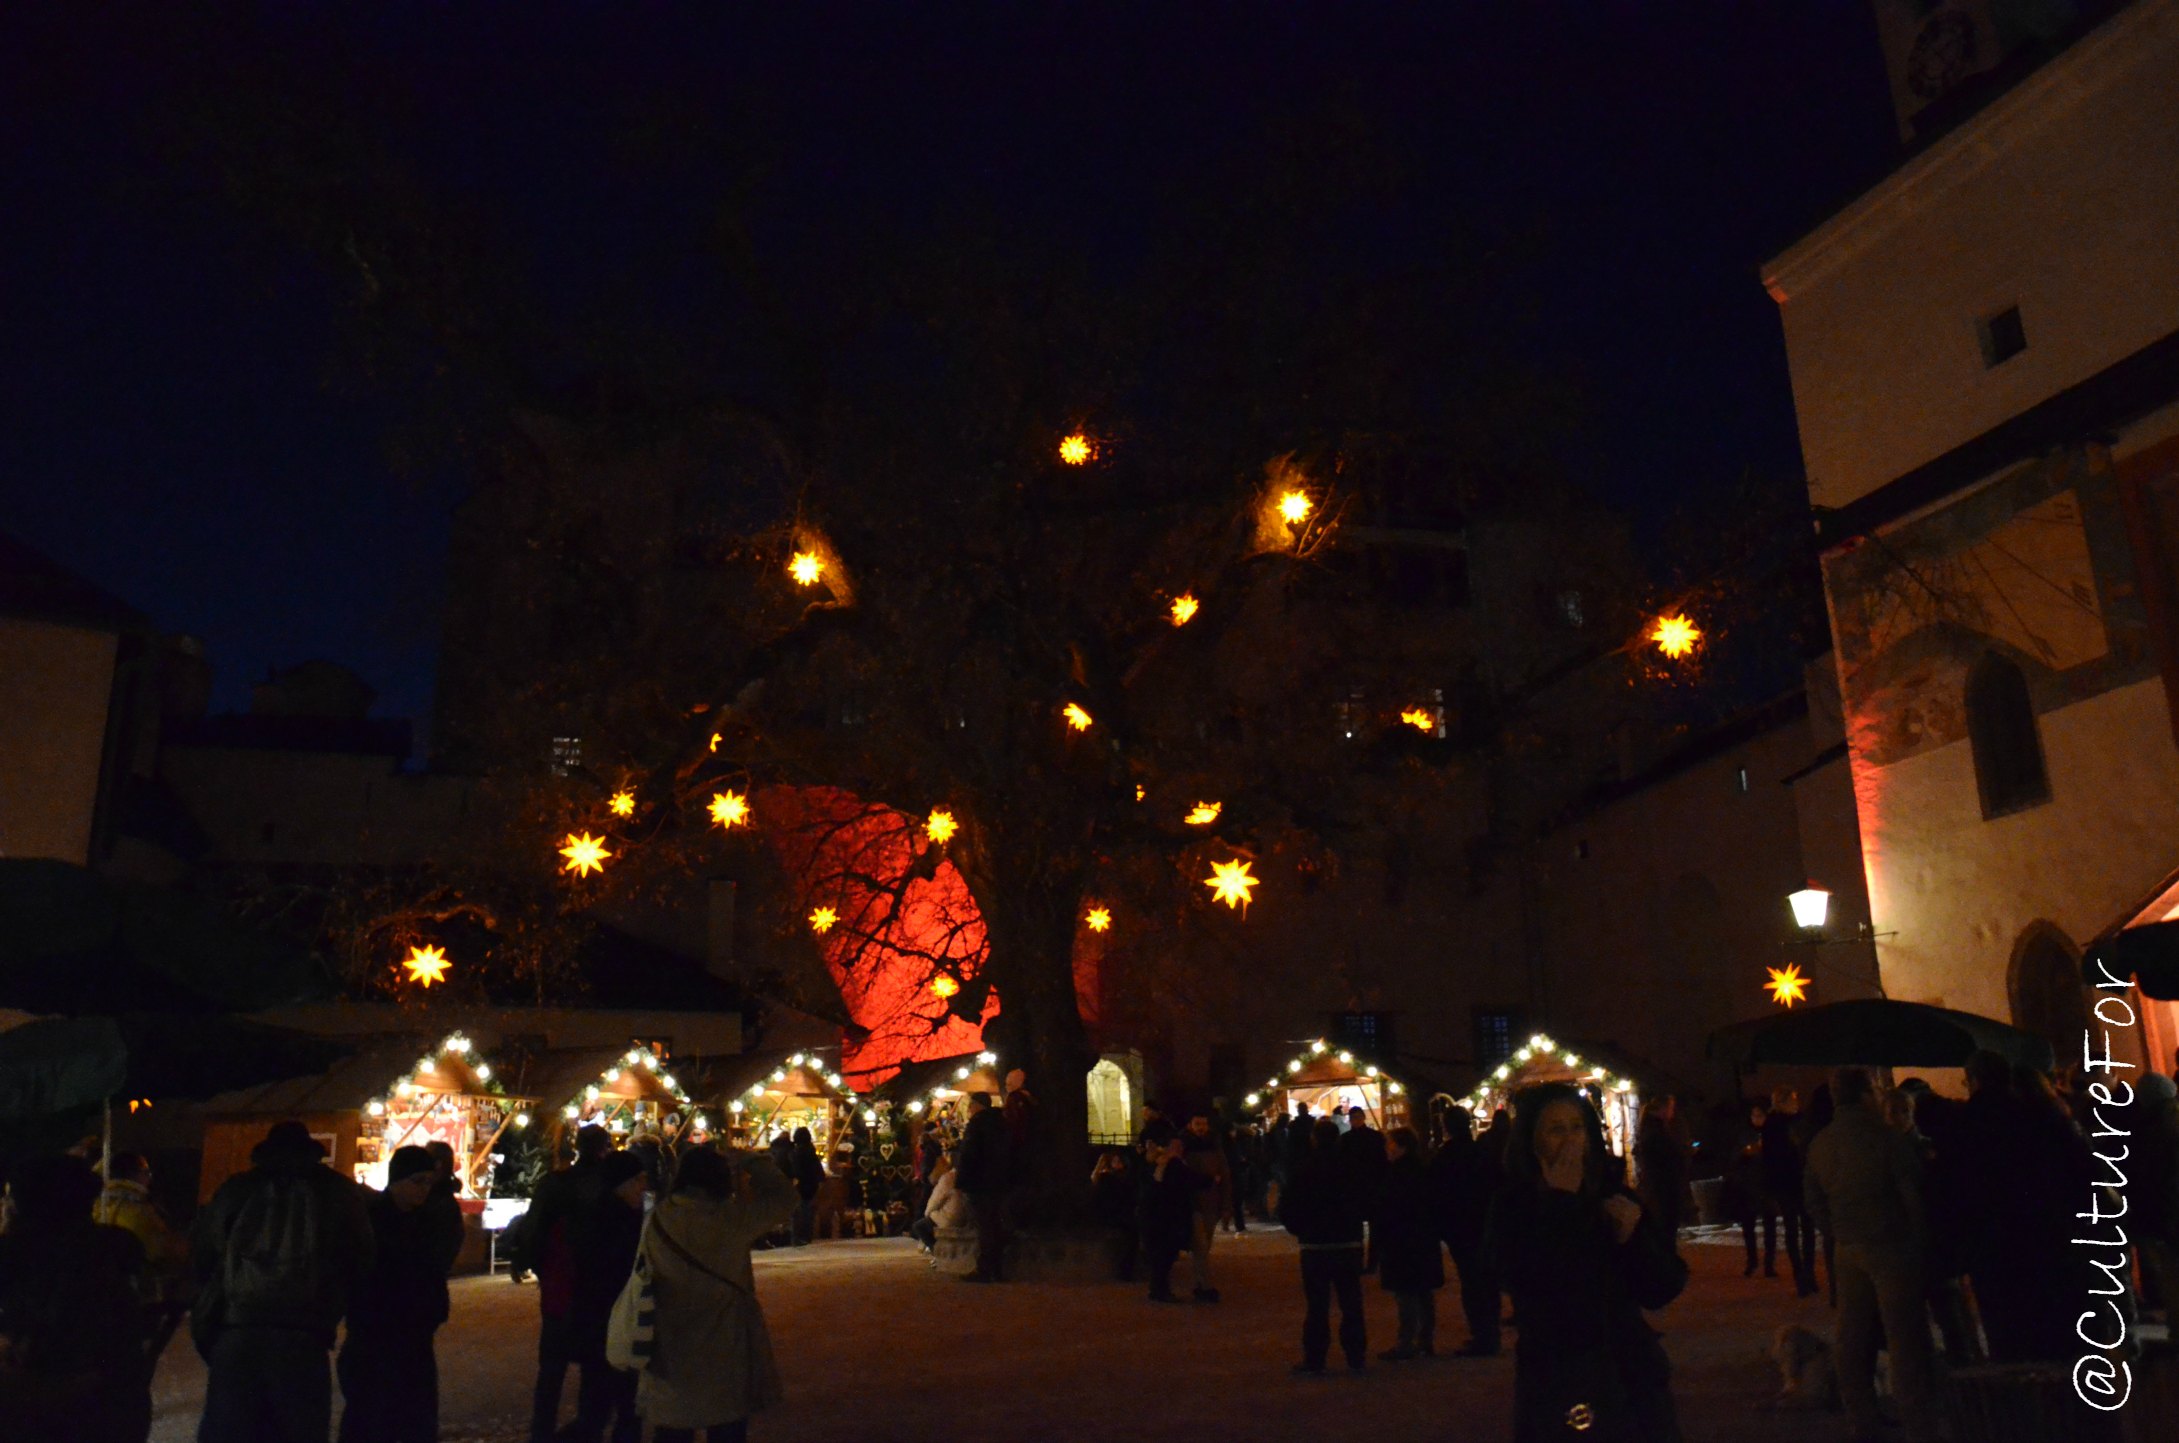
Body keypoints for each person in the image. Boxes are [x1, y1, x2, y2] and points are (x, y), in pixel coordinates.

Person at [1487, 1084, 1685, 1443]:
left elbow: (1661, 1288)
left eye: (1577, 1127)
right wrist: (1561, 1206)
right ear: (1533, 1141)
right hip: (1562, 1376)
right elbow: (1530, 1282)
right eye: (1556, 1129)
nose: (1570, 1141)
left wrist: (1634, 1239)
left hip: (1632, 1375)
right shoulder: (1515, 1205)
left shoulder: (1611, 1195)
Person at [191, 1120, 376, 1443]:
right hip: (305, 1336)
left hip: (239, 1332)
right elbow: (361, 1258)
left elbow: (204, 1252)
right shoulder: (337, 1192)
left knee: (231, 1430)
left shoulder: (237, 1189)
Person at [1802, 1068, 1938, 1443]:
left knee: (1852, 1335)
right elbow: (1912, 1196)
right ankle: (1919, 1424)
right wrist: (1920, 1241)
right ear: (1865, 1095)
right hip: (1890, 1244)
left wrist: (1837, 1231)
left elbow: (1813, 1199)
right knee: (1905, 1338)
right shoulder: (1886, 1139)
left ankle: (1861, 1418)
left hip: (1848, 1248)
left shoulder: (1822, 1142)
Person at [636, 1146, 798, 1443]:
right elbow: (785, 1197)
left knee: (673, 1425)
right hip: (725, 1340)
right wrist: (751, 1160)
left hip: (671, 1337)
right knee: (727, 1424)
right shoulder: (732, 1218)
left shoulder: (659, 1219)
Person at [0, 1153, 152, 1443]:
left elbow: (64, 1379)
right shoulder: (107, 1253)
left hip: (70, 1421)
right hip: (117, 1415)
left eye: (10, 1197)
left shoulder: (64, 1269)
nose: (5, 1205)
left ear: (27, 1208)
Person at [1954, 1049, 2095, 1362]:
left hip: (1992, 1240)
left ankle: (2019, 1378)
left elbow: (1956, 1188)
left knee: (2008, 1328)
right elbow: (2080, 1169)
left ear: (1974, 1081)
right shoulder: (2039, 1114)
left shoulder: (1963, 1124)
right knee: (2053, 1315)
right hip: (2047, 1230)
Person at [338, 1147, 455, 1443]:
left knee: (415, 1419)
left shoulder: (427, 1221)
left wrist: (433, 1309)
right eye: (418, 1181)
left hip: (414, 1336)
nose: (424, 1189)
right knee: (371, 1419)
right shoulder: (372, 1220)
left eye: (428, 1181)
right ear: (398, 1180)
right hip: (375, 1337)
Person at [519, 1125, 614, 1442]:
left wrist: (538, 1266)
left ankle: (542, 1431)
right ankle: (587, 1429)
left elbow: (534, 1228)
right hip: (598, 1288)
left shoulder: (555, 1183)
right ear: (603, 1148)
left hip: (561, 1285)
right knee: (595, 1365)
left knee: (552, 1367)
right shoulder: (609, 1185)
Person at [564, 1150, 650, 1443]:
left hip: (600, 1322)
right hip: (608, 1321)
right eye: (638, 1180)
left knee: (600, 1401)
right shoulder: (613, 1219)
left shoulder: (606, 1213)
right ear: (621, 1183)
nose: (643, 1186)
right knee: (620, 1402)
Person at [1280, 1118, 1367, 1373]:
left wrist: (1300, 1230)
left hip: (1315, 1246)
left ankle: (1315, 1358)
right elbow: (1365, 1200)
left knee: (1317, 1306)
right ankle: (1355, 1356)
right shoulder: (1351, 1168)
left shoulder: (1304, 1168)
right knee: (1351, 1303)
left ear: (1314, 1139)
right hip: (1348, 1243)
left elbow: (1287, 1206)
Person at [1428, 1109, 1502, 1357]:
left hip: (1460, 1227)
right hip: (1484, 1223)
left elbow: (1437, 1193)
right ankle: (1490, 1333)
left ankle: (1482, 1334)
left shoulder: (1445, 1156)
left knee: (1472, 1281)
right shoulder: (1483, 1152)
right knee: (1487, 1280)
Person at [1376, 1126, 1444, 1360]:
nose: (1387, 1148)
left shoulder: (1396, 1175)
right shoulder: (1424, 1169)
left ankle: (1406, 1342)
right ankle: (1425, 1339)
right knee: (1424, 1292)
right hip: (1424, 1239)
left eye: (1391, 1143)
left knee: (1406, 1293)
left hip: (1402, 1240)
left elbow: (1388, 1208)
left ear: (1401, 1147)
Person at [1761, 1088, 1817, 1297]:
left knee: (1807, 1228)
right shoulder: (1773, 1125)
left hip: (1800, 1180)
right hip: (1785, 1182)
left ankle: (1808, 1273)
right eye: (1792, 1100)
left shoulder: (1801, 1121)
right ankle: (1800, 1275)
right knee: (1792, 1229)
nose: (1796, 1103)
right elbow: (1769, 1158)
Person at [1140, 1130, 1206, 1304]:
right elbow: (1191, 1180)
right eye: (1175, 1146)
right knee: (1164, 1255)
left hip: (1157, 1215)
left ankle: (1158, 1289)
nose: (1179, 1149)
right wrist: (1211, 1180)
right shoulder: (1172, 1164)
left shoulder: (1158, 1163)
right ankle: (1160, 1291)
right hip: (1166, 1216)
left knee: (1161, 1256)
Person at [954, 1092, 1009, 1283]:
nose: (969, 1109)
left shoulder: (977, 1124)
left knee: (984, 1226)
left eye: (970, 1105)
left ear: (977, 1105)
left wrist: (961, 1181)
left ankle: (985, 1268)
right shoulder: (1001, 1123)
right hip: (998, 1181)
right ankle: (997, 1268)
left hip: (979, 1182)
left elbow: (968, 1155)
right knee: (995, 1224)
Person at [1181, 1112, 1230, 1302]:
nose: (1201, 1127)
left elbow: (1224, 1175)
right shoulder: (1184, 1146)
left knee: (1204, 1245)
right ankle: (1204, 1285)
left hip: (1210, 1202)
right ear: (1190, 1125)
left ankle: (1200, 1283)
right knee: (1200, 1244)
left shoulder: (1215, 1146)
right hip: (1193, 1203)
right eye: (1197, 1123)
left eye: (1204, 1124)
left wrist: (1225, 1204)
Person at [1340, 1105, 1387, 1274]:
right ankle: (1368, 1262)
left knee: (1361, 1228)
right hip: (1368, 1186)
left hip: (1360, 1187)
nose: (1356, 1120)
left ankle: (1364, 1262)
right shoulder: (1375, 1137)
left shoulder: (1346, 1139)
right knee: (1369, 1227)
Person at [1634, 1096, 1689, 1236]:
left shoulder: (1654, 1128)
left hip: (1662, 1184)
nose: (1672, 1113)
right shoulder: (1656, 1131)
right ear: (1662, 1109)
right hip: (1664, 1184)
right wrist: (1682, 1153)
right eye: (1670, 1108)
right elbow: (1667, 1156)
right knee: (1667, 1224)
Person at [1089, 1149, 1138, 1281]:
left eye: (1119, 1161)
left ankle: (1126, 1271)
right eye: (1115, 1161)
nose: (1117, 1163)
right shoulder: (1107, 1177)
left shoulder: (1126, 1177)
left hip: (1123, 1214)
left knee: (1129, 1240)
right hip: (1114, 1214)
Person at [911, 1151, 970, 1259]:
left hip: (950, 1218)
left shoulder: (948, 1178)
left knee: (919, 1226)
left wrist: (927, 1213)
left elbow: (935, 1201)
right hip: (968, 1217)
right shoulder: (970, 1177)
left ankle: (937, 1252)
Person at [788, 1128, 823, 1247]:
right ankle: (807, 1236)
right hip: (811, 1185)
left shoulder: (794, 1153)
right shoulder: (811, 1152)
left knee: (797, 1213)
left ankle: (797, 1237)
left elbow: (794, 1170)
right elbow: (818, 1170)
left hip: (799, 1185)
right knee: (808, 1211)